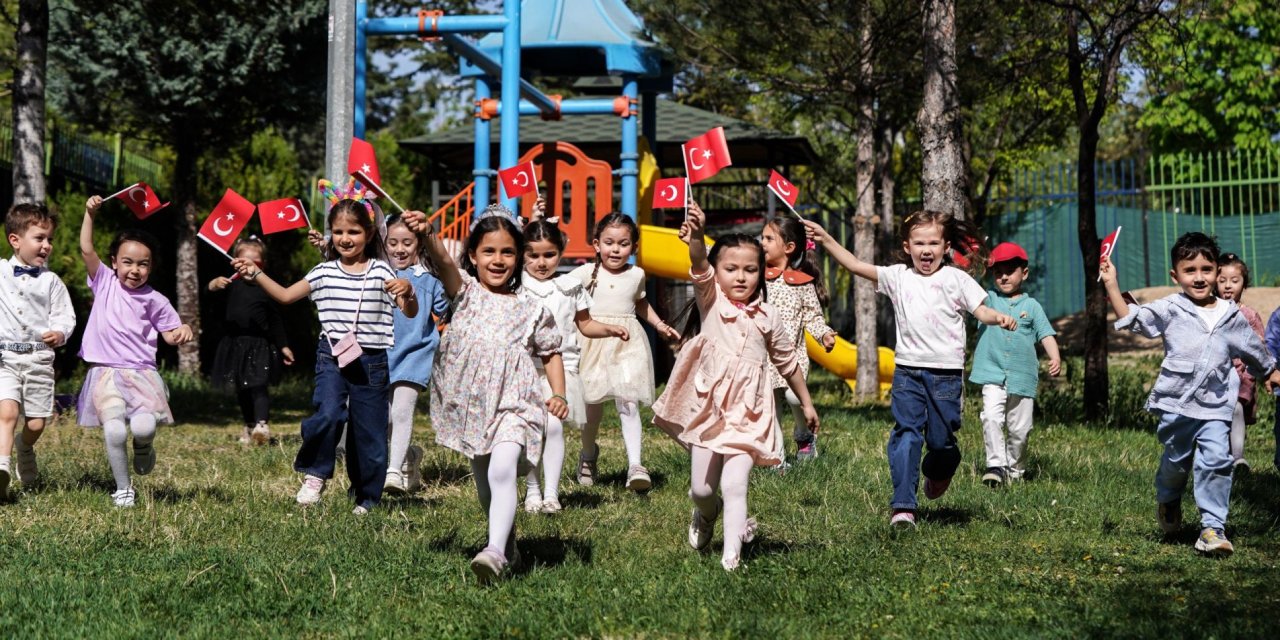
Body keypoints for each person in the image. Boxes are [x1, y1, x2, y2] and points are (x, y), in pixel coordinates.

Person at [804, 211, 1016, 528]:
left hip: (945, 376)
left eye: (933, 242)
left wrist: (996, 318)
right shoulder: (898, 277)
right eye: (919, 243)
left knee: (943, 444)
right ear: (908, 246)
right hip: (907, 374)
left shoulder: (957, 279)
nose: (926, 249)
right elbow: (855, 266)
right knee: (906, 435)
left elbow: (981, 309)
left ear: (946, 247)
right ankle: (903, 507)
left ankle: (941, 468)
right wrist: (827, 239)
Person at [403, 204, 568, 584]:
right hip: (473, 405)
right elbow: (442, 261)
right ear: (473, 256)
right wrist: (429, 232)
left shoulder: (531, 308)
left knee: (503, 468)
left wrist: (558, 392)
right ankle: (506, 540)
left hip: (516, 404)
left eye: (508, 252)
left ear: (520, 257)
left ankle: (493, 552)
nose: (498, 260)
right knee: (486, 488)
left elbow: (551, 350)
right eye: (489, 251)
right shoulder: (465, 291)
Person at [233, 181, 417, 514]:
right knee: (329, 414)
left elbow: (408, 311)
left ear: (369, 233)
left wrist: (408, 292)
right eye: (338, 231)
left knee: (369, 432)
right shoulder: (324, 271)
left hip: (372, 360)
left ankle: (366, 496)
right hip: (331, 356)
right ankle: (315, 474)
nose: (346, 238)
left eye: (354, 231)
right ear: (330, 233)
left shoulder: (381, 271)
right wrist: (256, 274)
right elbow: (287, 296)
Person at [653, 200, 817, 571]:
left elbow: (788, 363)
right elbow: (698, 264)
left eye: (750, 270)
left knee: (735, 483)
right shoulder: (711, 301)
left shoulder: (768, 316)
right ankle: (707, 515)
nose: (740, 277)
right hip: (709, 411)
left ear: (762, 272)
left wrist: (806, 404)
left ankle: (732, 557)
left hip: (749, 412)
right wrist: (696, 236)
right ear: (718, 271)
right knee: (702, 490)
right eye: (731, 269)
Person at [1101, 232, 1279, 556]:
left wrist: (1269, 370)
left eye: (1206, 269)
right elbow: (1134, 319)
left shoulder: (1230, 315)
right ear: (1175, 275)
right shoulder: (1171, 308)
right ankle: (1168, 496)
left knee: (1217, 461)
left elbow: (1253, 346)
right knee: (1176, 462)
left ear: (1216, 272)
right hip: (1177, 404)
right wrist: (1111, 283)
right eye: (1190, 270)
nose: (1199, 277)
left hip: (1216, 404)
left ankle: (1212, 528)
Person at [77, 195, 194, 508]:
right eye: (127, 262)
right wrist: (90, 214)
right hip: (105, 374)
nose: (134, 269)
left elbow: (170, 333)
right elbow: (87, 248)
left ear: (151, 267)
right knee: (114, 430)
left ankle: (144, 446)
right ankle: (124, 488)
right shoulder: (103, 282)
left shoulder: (155, 300)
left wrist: (181, 332)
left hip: (141, 374)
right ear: (114, 262)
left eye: (143, 264)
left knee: (143, 426)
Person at [520, 198, 629, 513]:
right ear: (523, 255)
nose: (542, 262)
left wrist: (609, 329)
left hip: (563, 370)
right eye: (534, 255)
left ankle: (552, 493)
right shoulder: (518, 287)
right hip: (525, 371)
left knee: (554, 427)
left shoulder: (569, 287)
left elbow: (585, 324)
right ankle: (532, 489)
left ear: (560, 253)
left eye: (550, 255)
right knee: (531, 429)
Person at [568, 214, 679, 492]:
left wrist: (660, 325)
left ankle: (635, 465)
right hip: (593, 343)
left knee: (628, 403)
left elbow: (640, 304)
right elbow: (558, 289)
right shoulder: (584, 274)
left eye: (623, 243)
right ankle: (588, 454)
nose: (615, 249)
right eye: (608, 243)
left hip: (627, 344)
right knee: (591, 408)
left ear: (634, 247)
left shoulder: (637, 274)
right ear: (596, 244)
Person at [968, 242, 1061, 486]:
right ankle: (996, 466)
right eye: (998, 272)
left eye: (1010, 270)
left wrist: (1055, 356)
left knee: (1021, 429)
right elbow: (968, 292)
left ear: (1025, 273)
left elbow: (1045, 334)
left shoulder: (1032, 306)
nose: (1004, 276)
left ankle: (1015, 472)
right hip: (992, 371)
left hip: (1022, 376)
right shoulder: (987, 299)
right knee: (990, 416)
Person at [0, 203, 76, 497]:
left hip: (38, 360)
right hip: (5, 357)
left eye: (50, 239)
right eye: (40, 238)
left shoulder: (51, 282)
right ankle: (2, 468)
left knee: (35, 422)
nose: (47, 245)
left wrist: (59, 332)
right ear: (15, 240)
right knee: (6, 411)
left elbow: (65, 316)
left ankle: (25, 445)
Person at [382, 218, 450, 494]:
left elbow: (447, 305)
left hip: (416, 353)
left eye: (407, 243)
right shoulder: (378, 274)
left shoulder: (429, 280)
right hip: (382, 354)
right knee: (383, 418)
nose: (399, 249)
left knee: (401, 411)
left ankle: (393, 471)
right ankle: (410, 456)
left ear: (419, 245)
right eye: (393, 242)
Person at [759, 215, 835, 462]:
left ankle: (804, 434)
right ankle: (777, 459)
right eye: (762, 237)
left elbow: (813, 316)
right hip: (764, 356)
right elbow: (726, 255)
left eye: (769, 238)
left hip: (794, 354)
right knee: (771, 408)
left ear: (789, 248)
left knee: (794, 396)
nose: (762, 242)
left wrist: (823, 333)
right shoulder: (757, 277)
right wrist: (696, 241)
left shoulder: (802, 283)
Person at [207, 237, 294, 445]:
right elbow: (209, 302)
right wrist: (213, 285)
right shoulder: (229, 285)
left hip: (259, 345)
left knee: (258, 385)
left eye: (256, 263)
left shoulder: (266, 288)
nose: (249, 267)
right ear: (235, 261)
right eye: (244, 262)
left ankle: (262, 424)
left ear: (263, 265)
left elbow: (275, 320)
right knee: (242, 388)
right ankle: (248, 425)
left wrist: (283, 346)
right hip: (235, 345)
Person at [1214, 252, 1265, 472]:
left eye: (1234, 281)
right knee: (1214, 422)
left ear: (1244, 284)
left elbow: (1259, 349)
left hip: (1241, 378)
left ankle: (1237, 458)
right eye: (1222, 280)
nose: (1228, 286)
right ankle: (1218, 459)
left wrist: (1251, 377)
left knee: (1234, 410)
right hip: (1214, 379)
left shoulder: (1249, 315)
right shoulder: (1209, 312)